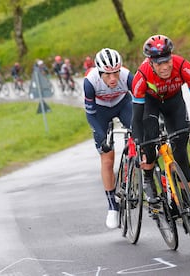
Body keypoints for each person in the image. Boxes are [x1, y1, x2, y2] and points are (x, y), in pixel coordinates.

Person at [131, 34, 190, 207]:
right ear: (150, 62)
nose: (164, 67)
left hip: (174, 102)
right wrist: (139, 143)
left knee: (180, 147)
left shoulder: (184, 67)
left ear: (172, 57)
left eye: (167, 61)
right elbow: (136, 118)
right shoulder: (142, 76)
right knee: (149, 141)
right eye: (159, 63)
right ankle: (148, 178)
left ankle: (186, 197)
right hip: (151, 104)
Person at [84, 48, 134, 229]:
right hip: (100, 112)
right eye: (107, 75)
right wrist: (102, 137)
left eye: (116, 73)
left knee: (140, 134)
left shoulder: (128, 76)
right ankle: (112, 206)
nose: (113, 79)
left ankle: (136, 171)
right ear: (99, 72)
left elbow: (142, 102)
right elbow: (90, 115)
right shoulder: (90, 82)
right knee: (107, 159)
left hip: (122, 104)